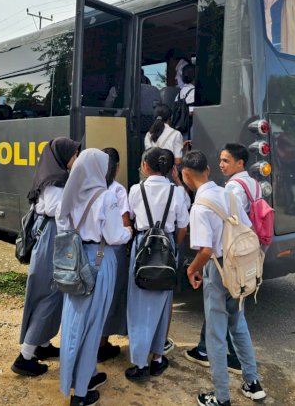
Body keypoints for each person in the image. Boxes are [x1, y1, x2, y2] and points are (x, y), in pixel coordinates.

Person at [183, 151, 266, 406]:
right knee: (238, 323)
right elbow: (247, 229)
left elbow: (205, 251)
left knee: (216, 336)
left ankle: (221, 397)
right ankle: (253, 383)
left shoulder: (199, 207)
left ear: (186, 176)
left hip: (218, 272)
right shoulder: (228, 194)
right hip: (239, 270)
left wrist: (191, 270)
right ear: (208, 170)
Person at [57, 149, 133, 406]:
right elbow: (114, 236)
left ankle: (78, 375)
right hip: (100, 262)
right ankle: (80, 394)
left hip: (75, 262)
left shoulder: (72, 192)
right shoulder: (107, 197)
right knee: (93, 326)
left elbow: (63, 224)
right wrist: (128, 231)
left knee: (74, 324)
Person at [12, 137, 81, 377]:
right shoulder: (57, 181)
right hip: (54, 237)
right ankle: (25, 356)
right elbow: (59, 213)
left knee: (48, 292)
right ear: (63, 156)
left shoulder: (48, 175)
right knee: (50, 294)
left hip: (46, 236)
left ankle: (42, 345)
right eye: (74, 154)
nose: (76, 159)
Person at [125, 148, 189, 383]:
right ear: (172, 169)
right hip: (167, 245)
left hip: (143, 246)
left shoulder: (135, 190)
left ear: (144, 166)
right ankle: (157, 359)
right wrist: (171, 246)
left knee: (138, 306)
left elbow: (129, 217)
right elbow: (183, 226)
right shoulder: (179, 193)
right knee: (163, 306)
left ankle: (139, 363)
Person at [98, 147, 132, 362]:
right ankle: (102, 344)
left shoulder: (88, 187)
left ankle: (93, 341)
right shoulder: (117, 190)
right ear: (117, 167)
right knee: (111, 296)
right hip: (112, 251)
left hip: (93, 250)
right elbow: (125, 221)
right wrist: (129, 233)